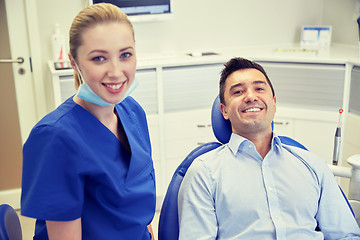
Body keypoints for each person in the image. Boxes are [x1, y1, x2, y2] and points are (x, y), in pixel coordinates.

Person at [178, 57, 360, 239]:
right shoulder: (203, 173)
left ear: (274, 103)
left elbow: (345, 235)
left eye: (259, 88)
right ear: (224, 110)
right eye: (238, 91)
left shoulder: (312, 165)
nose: (250, 97)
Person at [21, 3, 156, 239]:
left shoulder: (133, 112)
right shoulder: (54, 137)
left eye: (125, 55)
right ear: (74, 62)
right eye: (99, 58)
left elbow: (140, 215)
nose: (115, 71)